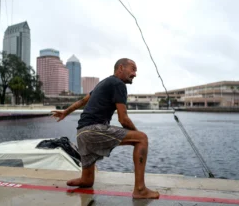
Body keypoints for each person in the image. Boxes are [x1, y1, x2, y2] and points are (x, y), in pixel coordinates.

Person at [52, 58, 159, 199]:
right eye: (132, 69)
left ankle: (84, 179)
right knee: (142, 139)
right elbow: (123, 119)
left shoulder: (103, 83)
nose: (135, 74)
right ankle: (140, 189)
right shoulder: (118, 84)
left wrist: (66, 112)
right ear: (121, 68)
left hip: (81, 133)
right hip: (93, 130)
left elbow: (83, 101)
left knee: (88, 181)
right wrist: (137, 134)